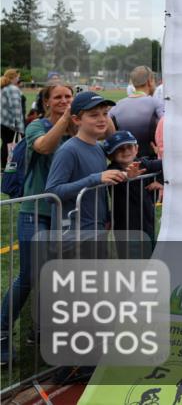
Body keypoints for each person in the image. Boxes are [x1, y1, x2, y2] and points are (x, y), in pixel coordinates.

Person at [0, 83, 74, 365]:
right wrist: (66, 119)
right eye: (58, 97)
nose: (64, 101)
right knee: (30, 275)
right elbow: (44, 146)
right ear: (46, 102)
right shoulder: (36, 127)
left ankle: (40, 330)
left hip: (65, 215)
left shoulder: (77, 129)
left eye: (68, 97)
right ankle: (3, 333)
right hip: (36, 212)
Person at [45, 91, 129, 235]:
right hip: (73, 235)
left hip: (96, 229)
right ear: (77, 120)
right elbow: (51, 193)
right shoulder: (69, 150)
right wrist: (95, 178)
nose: (102, 119)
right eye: (94, 115)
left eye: (105, 113)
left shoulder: (98, 147)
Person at [109, 66, 165, 240]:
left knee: (125, 216)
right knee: (144, 218)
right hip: (148, 168)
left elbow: (110, 134)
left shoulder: (117, 106)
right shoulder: (155, 103)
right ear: (150, 81)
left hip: (121, 166)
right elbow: (166, 127)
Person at [103, 130, 163, 256]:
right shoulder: (112, 170)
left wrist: (162, 182)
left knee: (150, 259)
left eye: (129, 147)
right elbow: (116, 177)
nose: (126, 151)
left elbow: (166, 165)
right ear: (111, 155)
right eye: (120, 149)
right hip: (127, 230)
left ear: (136, 148)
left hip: (147, 224)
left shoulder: (142, 164)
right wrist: (127, 176)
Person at [1, 69, 25, 170]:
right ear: (13, 77)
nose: (19, 78)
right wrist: (20, 128)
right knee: (12, 145)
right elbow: (16, 109)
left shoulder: (3, 88)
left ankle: (3, 166)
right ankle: (10, 166)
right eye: (18, 76)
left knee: (5, 144)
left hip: (2, 122)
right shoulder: (13, 89)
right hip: (10, 124)